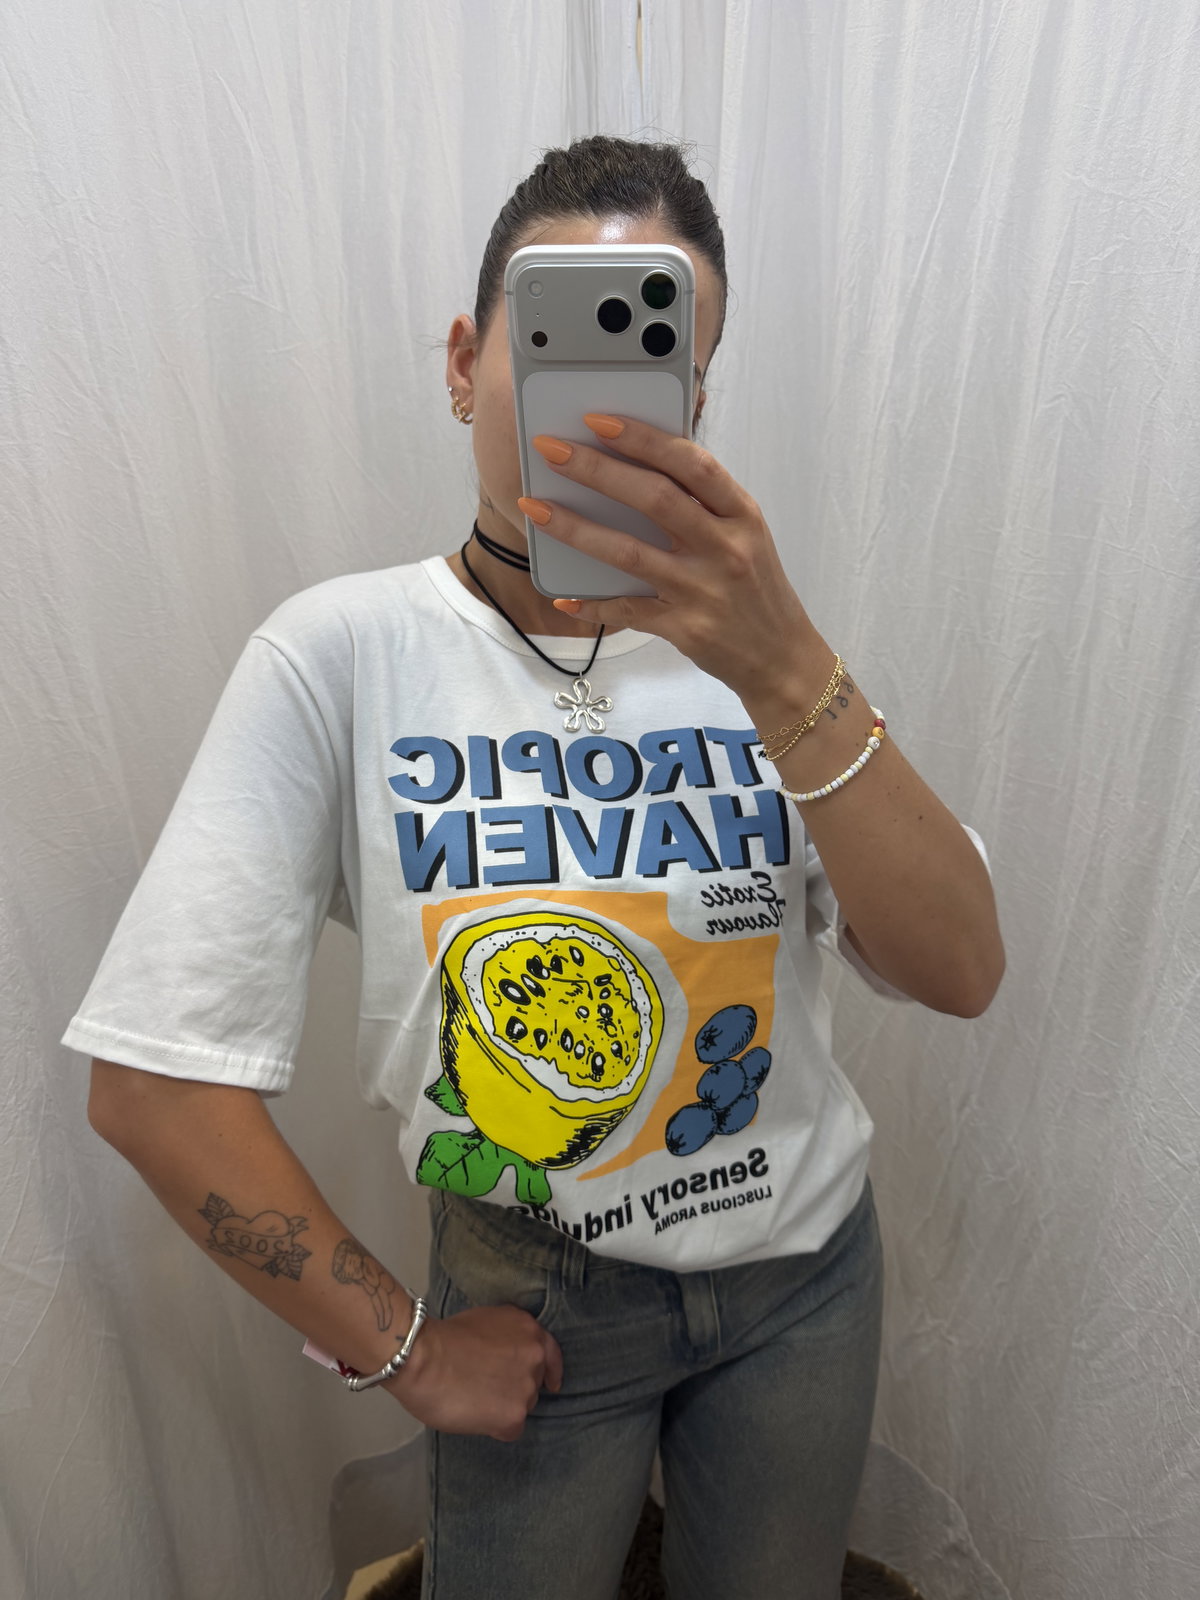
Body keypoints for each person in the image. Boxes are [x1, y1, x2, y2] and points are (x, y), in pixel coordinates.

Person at [66, 136, 1004, 1600]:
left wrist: (787, 668)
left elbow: (962, 969)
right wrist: (406, 1349)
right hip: (535, 1298)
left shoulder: (762, 652)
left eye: (658, 355)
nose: (605, 402)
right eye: (559, 336)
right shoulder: (340, 654)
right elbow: (154, 1085)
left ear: (697, 401)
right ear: (465, 362)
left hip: (807, 1281)